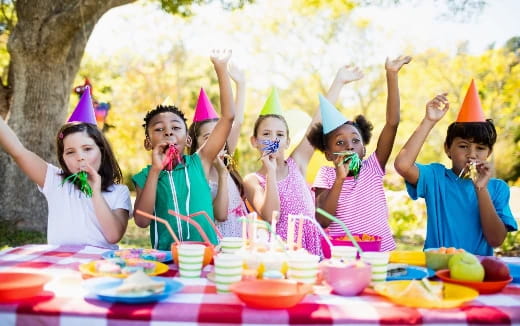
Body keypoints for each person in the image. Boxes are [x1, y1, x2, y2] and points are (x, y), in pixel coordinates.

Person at [243, 64, 364, 256]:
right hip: (281, 253)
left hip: (311, 249)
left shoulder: (297, 163)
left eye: (279, 134)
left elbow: (318, 121)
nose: (274, 139)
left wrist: (339, 82)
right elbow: (270, 216)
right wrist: (271, 173)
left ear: (287, 141)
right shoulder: (252, 180)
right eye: (266, 134)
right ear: (254, 142)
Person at [394, 81, 517, 256]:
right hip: (437, 268)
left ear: (488, 153)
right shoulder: (436, 177)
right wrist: (429, 121)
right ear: (447, 149)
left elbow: (496, 240)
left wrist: (481, 188)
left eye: (480, 148)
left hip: (477, 271)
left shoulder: (497, 188)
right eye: (463, 146)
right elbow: (403, 165)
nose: (472, 154)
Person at [0, 89, 131, 249]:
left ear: (102, 151)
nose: (80, 157)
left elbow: (113, 236)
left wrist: (95, 192)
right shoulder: (55, 180)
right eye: (70, 152)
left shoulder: (119, 192)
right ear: (63, 159)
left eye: (87, 149)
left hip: (101, 267)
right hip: (61, 266)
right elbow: (17, 150)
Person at [133, 49, 234, 250]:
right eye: (159, 129)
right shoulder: (144, 176)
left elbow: (228, 117)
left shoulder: (200, 162)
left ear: (188, 140)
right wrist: (155, 170)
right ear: (147, 143)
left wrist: (221, 68)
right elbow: (141, 221)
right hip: (167, 258)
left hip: (208, 253)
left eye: (176, 128)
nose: (168, 133)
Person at [308, 56, 411, 252]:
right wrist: (339, 179)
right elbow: (322, 219)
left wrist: (392, 75)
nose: (349, 146)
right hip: (345, 257)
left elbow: (392, 123)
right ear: (328, 154)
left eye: (356, 141)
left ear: (364, 149)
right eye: (340, 142)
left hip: (382, 254)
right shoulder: (327, 175)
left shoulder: (373, 167)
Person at [187, 63, 248, 237]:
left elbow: (237, 122)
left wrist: (241, 85)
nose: (217, 143)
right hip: (222, 240)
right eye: (208, 138)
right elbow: (220, 215)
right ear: (196, 143)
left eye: (219, 136)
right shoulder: (198, 173)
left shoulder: (226, 155)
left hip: (241, 237)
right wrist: (222, 174)